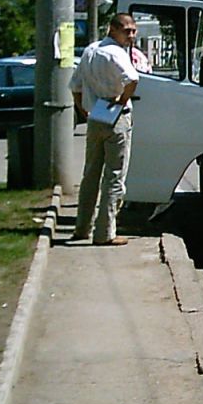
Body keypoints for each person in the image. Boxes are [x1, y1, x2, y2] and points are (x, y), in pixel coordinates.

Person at [69, 13, 140, 245]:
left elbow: (75, 85)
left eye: (133, 30)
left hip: (95, 117)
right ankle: (105, 232)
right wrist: (120, 102)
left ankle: (82, 227)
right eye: (126, 30)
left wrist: (83, 109)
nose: (130, 35)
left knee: (90, 173)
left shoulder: (90, 50)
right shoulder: (116, 53)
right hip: (116, 116)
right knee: (114, 176)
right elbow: (132, 79)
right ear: (112, 29)